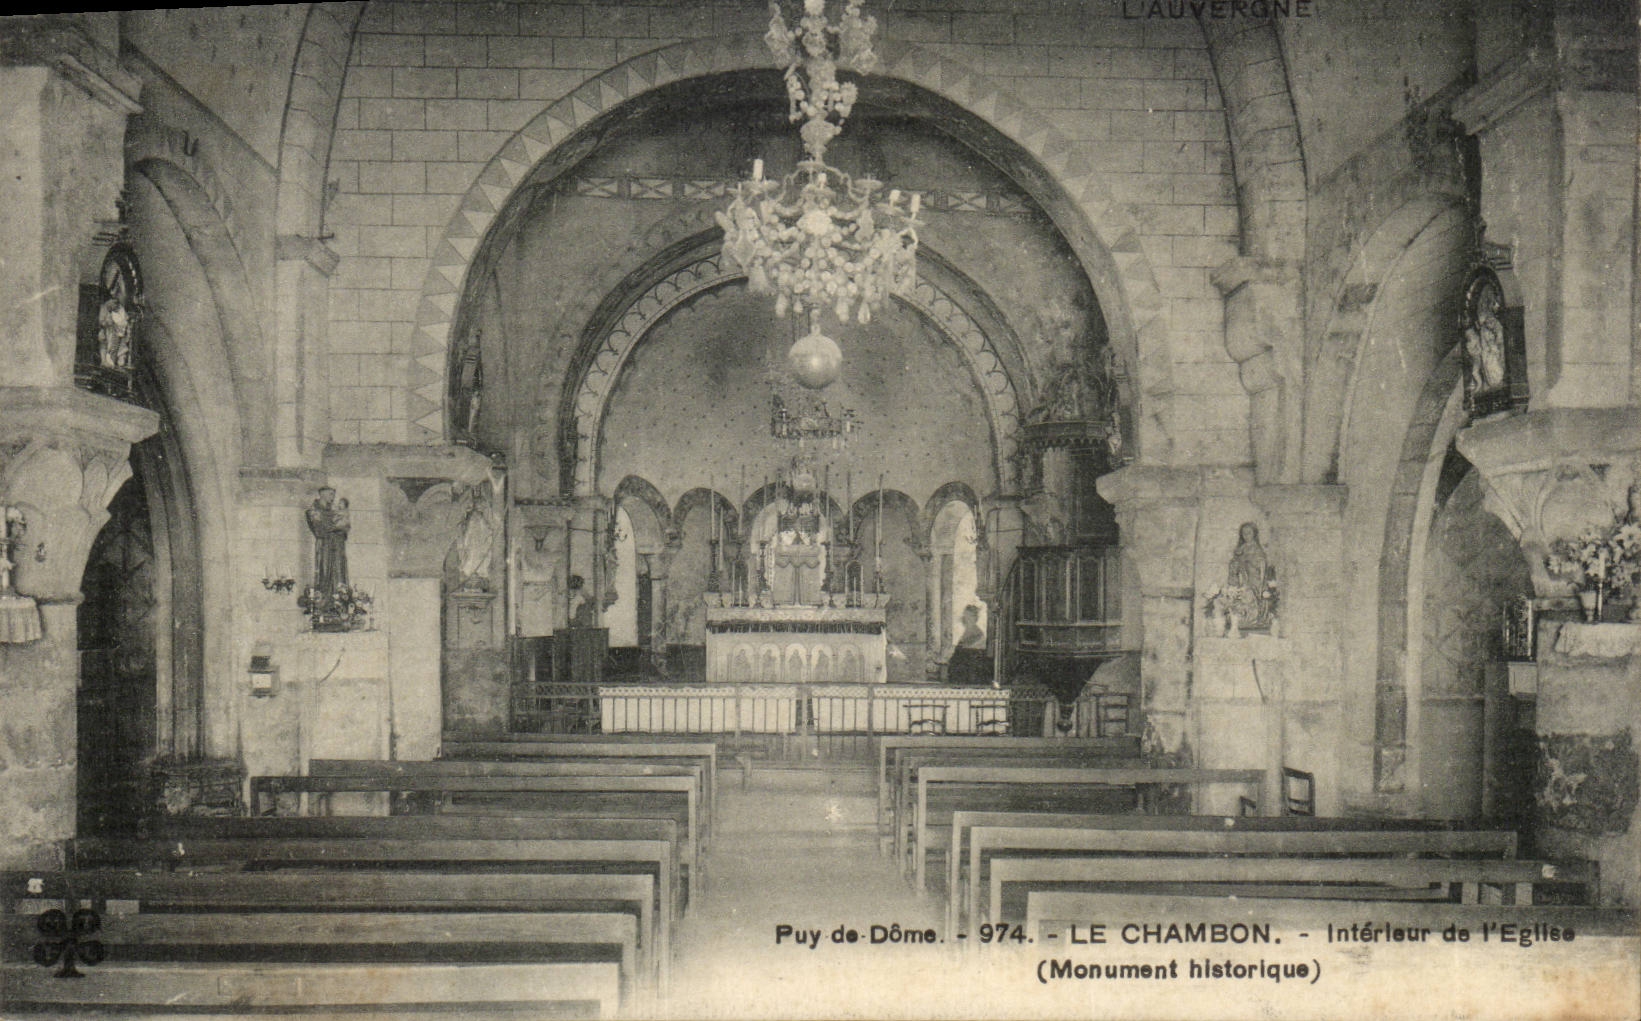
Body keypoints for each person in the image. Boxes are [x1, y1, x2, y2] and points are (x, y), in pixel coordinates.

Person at [305, 487, 349, 599]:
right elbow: (320, 529)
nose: (333, 497)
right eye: (331, 494)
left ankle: (339, 599)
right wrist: (335, 527)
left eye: (334, 495)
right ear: (322, 494)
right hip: (324, 546)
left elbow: (345, 527)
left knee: (339, 573)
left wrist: (336, 528)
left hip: (337, 546)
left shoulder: (335, 510)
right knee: (324, 572)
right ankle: (323, 600)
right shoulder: (313, 510)